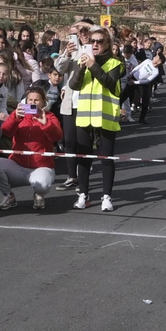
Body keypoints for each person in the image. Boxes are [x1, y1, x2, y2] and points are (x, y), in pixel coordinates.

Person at [69, 28, 123, 212]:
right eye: (92, 41)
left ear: (107, 44)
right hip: (84, 118)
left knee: (106, 159)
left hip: (105, 118)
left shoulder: (115, 64)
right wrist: (81, 67)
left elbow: (109, 82)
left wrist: (92, 65)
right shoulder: (82, 61)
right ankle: (83, 195)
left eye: (100, 41)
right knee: (83, 158)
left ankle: (106, 197)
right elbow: (73, 85)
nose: (95, 44)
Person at [0, 83, 62, 210]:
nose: (33, 102)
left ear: (43, 101)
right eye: (30, 99)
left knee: (42, 185)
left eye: (37, 100)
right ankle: (8, 196)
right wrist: (14, 118)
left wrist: (46, 124)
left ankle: (39, 194)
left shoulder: (50, 116)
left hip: (41, 166)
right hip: (18, 165)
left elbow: (57, 136)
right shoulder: (19, 115)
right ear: (26, 101)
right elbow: (6, 131)